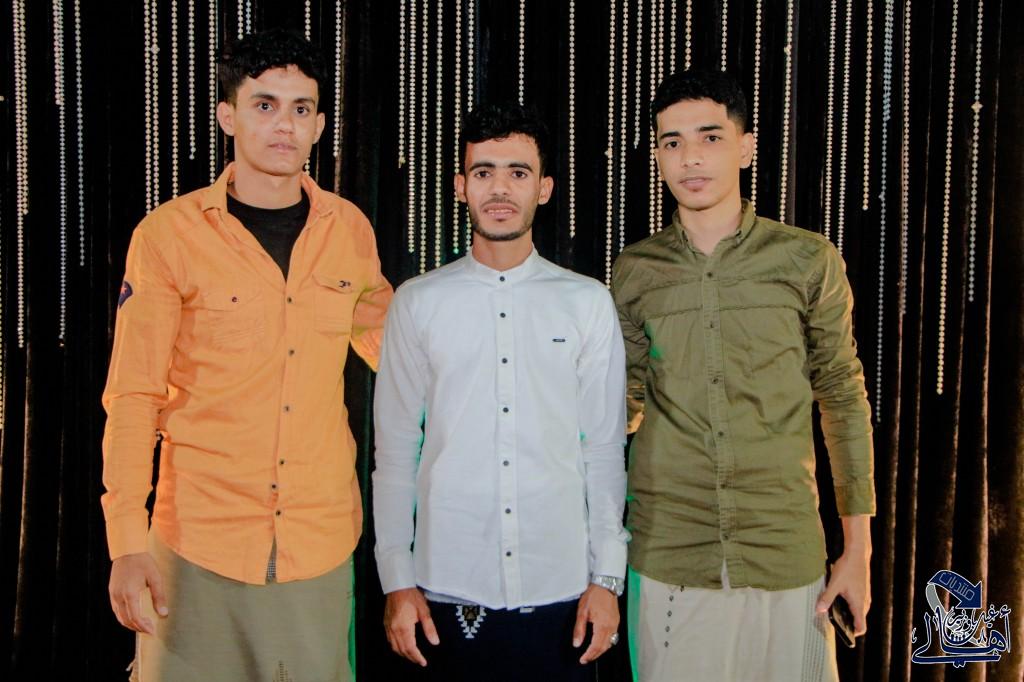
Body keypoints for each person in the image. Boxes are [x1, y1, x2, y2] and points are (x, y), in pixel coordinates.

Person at [101, 28, 392, 681]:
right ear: (228, 116)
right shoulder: (167, 236)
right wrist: (125, 542)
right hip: (196, 545)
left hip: (317, 546)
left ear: (319, 125)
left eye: (300, 108)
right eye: (264, 105)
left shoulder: (349, 230)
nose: (283, 125)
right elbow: (134, 396)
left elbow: (397, 348)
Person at [611, 69, 874, 681]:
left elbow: (842, 395)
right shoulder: (635, 271)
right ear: (657, 156)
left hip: (783, 546)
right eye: (672, 142)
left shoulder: (806, 259)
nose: (690, 157)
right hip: (670, 549)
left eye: (710, 137)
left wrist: (857, 549)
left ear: (746, 147)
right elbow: (616, 405)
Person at [372, 103, 629, 681]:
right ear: (461, 187)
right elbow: (395, 452)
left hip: (563, 589)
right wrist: (397, 580)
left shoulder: (587, 302)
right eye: (483, 172)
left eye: (518, 172)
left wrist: (607, 577)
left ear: (544, 188)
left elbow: (603, 449)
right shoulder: (418, 302)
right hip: (443, 588)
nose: (500, 189)